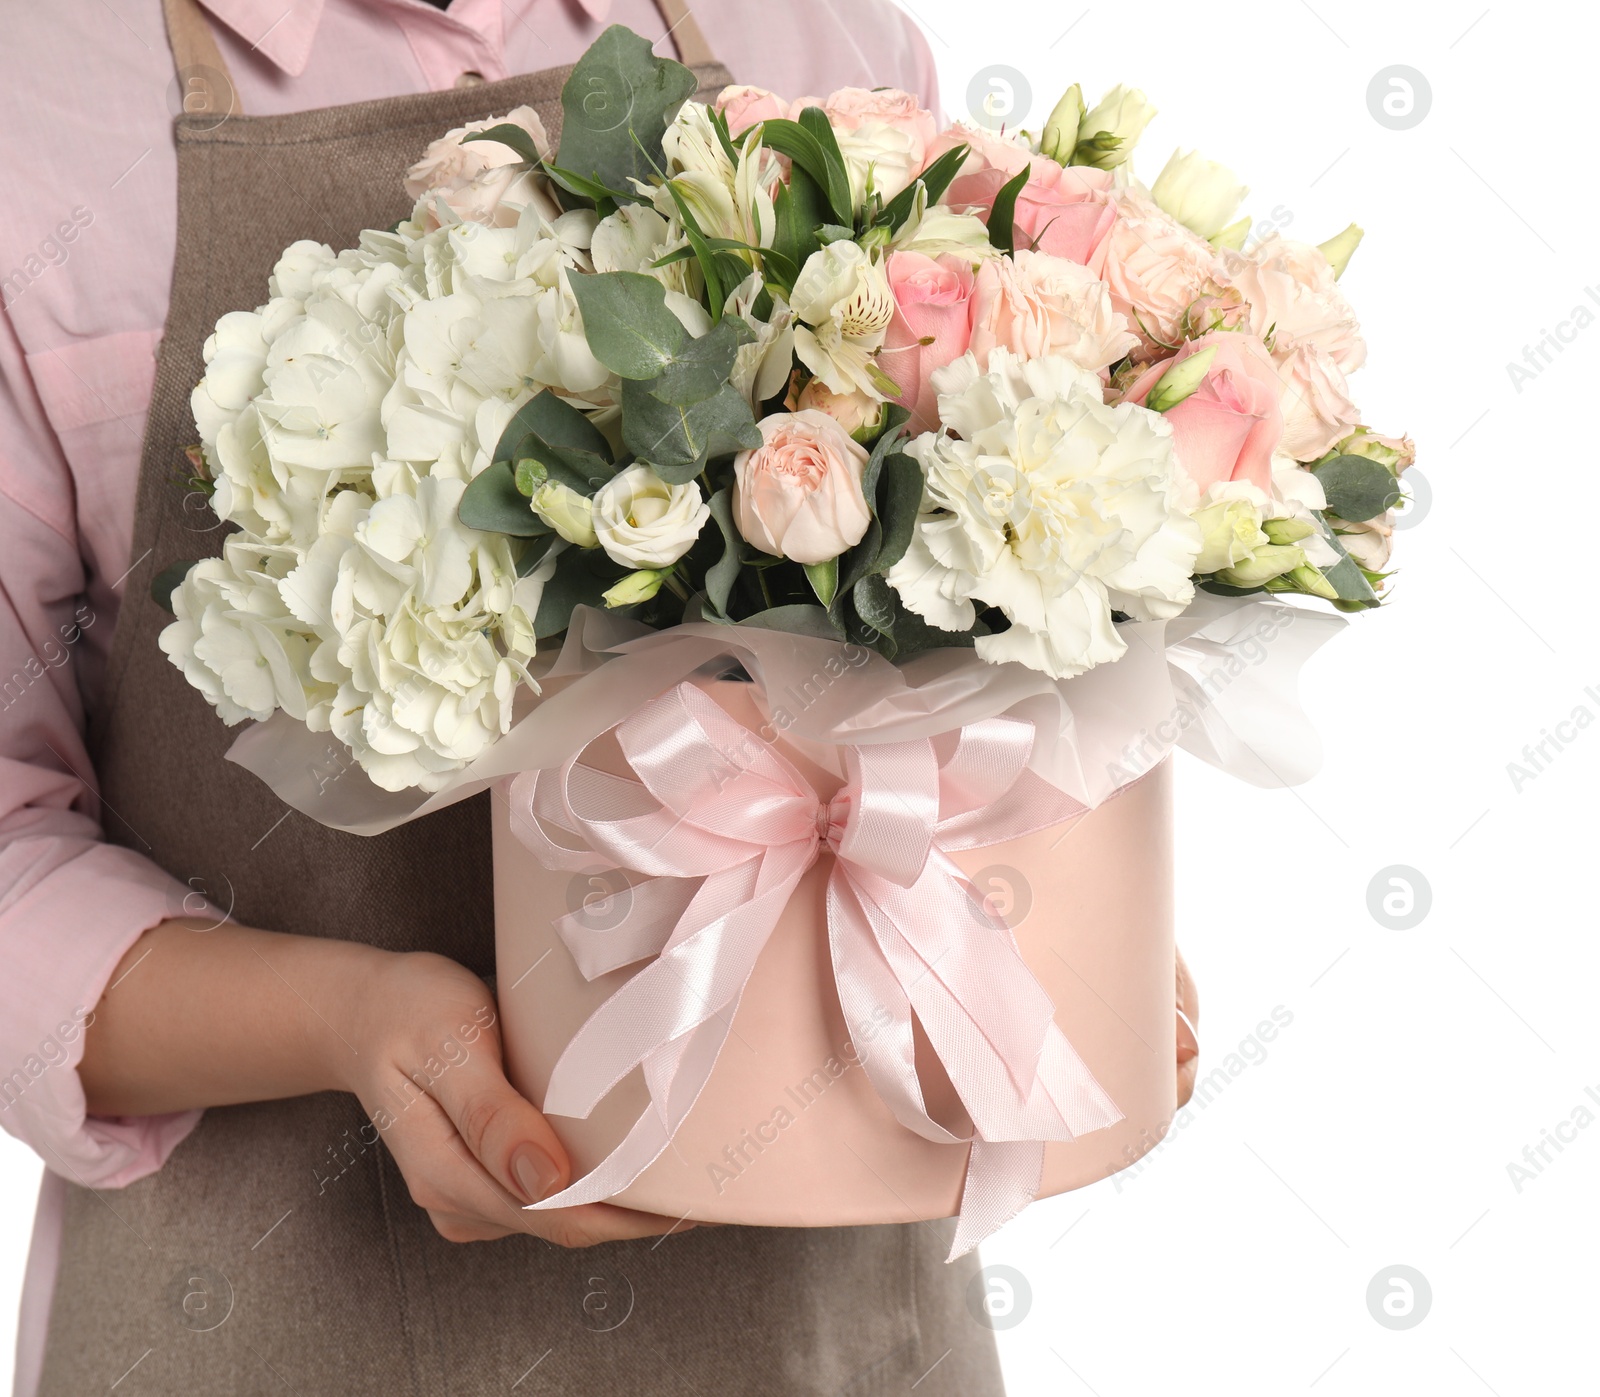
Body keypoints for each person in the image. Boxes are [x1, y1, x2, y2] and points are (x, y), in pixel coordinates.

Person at [0, 1, 1198, 1391]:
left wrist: (1041, 909)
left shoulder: (814, 37)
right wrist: (348, 1021)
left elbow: (951, 636)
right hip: (271, 1315)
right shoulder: (36, 118)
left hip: (825, 1330)